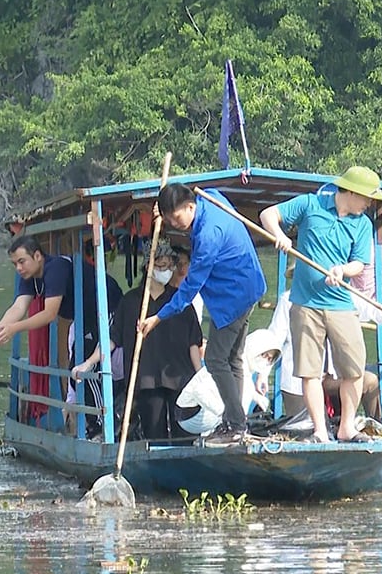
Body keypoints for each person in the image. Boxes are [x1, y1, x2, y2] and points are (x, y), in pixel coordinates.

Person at [259, 166, 382, 444]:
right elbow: (268, 215)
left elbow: (359, 263)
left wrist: (342, 270)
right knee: (309, 371)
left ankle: (346, 428)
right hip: (305, 303)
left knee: (353, 369)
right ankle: (319, 431)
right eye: (366, 197)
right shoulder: (310, 204)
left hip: (340, 304)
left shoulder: (362, 223)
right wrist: (280, 234)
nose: (368, 204)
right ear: (350, 191)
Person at [139, 183, 266, 445]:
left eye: (177, 217)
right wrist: (162, 211)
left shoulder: (209, 235)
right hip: (249, 286)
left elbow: (188, 290)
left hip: (233, 297)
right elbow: (189, 194)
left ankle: (235, 424)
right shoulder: (211, 198)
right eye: (169, 219)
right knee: (233, 359)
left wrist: (157, 318)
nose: (175, 224)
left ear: (190, 206)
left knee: (217, 359)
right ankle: (237, 419)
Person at [0, 235, 123, 428]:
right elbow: (18, 307)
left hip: (108, 309)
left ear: (37, 256)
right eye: (14, 264)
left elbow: (49, 314)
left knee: (92, 366)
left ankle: (104, 424)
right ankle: (93, 424)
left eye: (21, 261)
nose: (18, 268)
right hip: (84, 317)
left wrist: (13, 329)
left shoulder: (56, 268)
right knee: (76, 366)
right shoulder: (29, 277)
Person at [75, 244, 203, 440]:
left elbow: (193, 343)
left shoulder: (180, 301)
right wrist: (89, 363)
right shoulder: (131, 301)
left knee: (185, 436)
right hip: (146, 379)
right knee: (154, 435)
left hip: (181, 378)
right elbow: (112, 339)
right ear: (148, 267)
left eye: (169, 266)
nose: (166, 271)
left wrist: (199, 377)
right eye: (160, 266)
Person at [169, 245, 205, 322]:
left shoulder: (195, 295)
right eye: (178, 263)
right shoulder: (163, 290)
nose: (181, 267)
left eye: (185, 263)